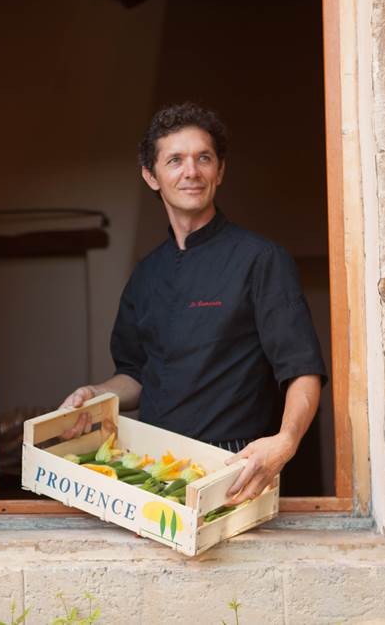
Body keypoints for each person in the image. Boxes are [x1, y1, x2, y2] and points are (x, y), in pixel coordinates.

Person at [60, 102, 327, 504]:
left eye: (204, 158)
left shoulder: (260, 259)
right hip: (154, 467)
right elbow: (135, 375)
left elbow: (301, 368)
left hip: (235, 464)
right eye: (175, 160)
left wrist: (285, 441)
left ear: (220, 171)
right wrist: (95, 393)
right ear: (152, 176)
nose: (191, 171)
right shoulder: (146, 275)